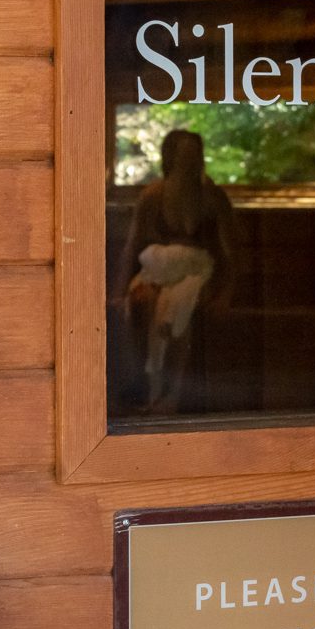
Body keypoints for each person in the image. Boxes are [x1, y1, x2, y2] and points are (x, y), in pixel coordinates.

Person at [110, 128, 235, 414]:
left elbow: (229, 254)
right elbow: (132, 247)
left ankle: (175, 392)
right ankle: (147, 385)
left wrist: (224, 293)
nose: (189, 163)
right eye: (184, 156)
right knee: (141, 302)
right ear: (170, 158)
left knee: (182, 309)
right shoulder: (153, 196)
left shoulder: (213, 198)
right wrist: (119, 293)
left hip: (199, 275)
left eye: (195, 156)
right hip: (158, 271)